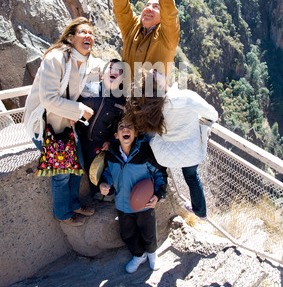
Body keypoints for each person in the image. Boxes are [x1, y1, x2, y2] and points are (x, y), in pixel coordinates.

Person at [24, 17, 105, 226]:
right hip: (45, 124)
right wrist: (80, 110)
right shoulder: (55, 59)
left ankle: (74, 203)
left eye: (91, 33)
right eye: (83, 32)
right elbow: (49, 99)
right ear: (70, 38)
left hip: (64, 122)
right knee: (62, 174)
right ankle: (63, 214)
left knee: (77, 164)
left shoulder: (85, 61)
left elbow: (105, 68)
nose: (89, 36)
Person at [126, 69, 219, 219]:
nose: (157, 69)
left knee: (150, 136)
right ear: (160, 87)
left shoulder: (152, 108)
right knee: (191, 176)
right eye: (155, 74)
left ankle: (161, 192)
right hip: (191, 154)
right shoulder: (186, 97)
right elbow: (213, 115)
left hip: (165, 156)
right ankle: (201, 213)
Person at [99, 114, 167, 273]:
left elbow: (160, 173)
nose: (125, 129)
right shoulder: (112, 154)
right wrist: (104, 183)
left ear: (136, 133)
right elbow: (107, 172)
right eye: (121, 127)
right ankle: (139, 255)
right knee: (127, 234)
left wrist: (157, 195)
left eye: (130, 127)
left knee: (148, 233)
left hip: (145, 204)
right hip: (122, 205)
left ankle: (152, 254)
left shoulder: (145, 152)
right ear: (116, 135)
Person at [75, 58, 126, 199]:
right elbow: (72, 105)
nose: (114, 72)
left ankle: (102, 193)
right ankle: (88, 194)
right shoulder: (88, 88)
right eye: (111, 69)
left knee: (96, 168)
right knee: (81, 167)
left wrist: (110, 140)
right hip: (79, 136)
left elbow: (118, 124)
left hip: (99, 141)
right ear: (102, 74)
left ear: (122, 80)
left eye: (119, 71)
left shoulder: (121, 101)